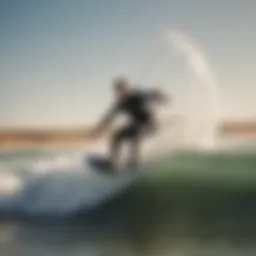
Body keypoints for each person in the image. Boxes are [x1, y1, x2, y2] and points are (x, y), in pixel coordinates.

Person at [92, 77, 169, 168]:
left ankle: (133, 162)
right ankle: (112, 162)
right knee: (117, 136)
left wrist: (160, 96)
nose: (121, 92)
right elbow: (109, 116)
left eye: (123, 89)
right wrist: (99, 128)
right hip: (136, 125)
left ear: (127, 88)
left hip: (149, 124)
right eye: (119, 90)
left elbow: (152, 95)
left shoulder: (137, 96)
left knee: (136, 132)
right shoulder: (121, 103)